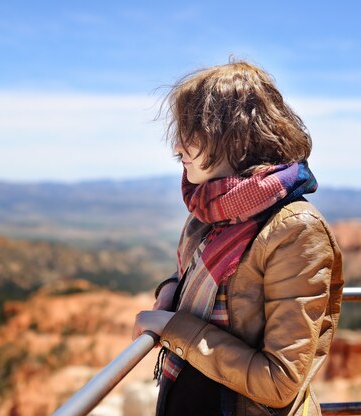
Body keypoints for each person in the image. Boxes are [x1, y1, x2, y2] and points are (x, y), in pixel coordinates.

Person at [132, 60, 344, 416]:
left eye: (191, 132)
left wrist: (173, 327)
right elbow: (196, 274)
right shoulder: (209, 212)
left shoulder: (295, 230)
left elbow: (278, 382)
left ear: (235, 136)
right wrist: (172, 288)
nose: (177, 148)